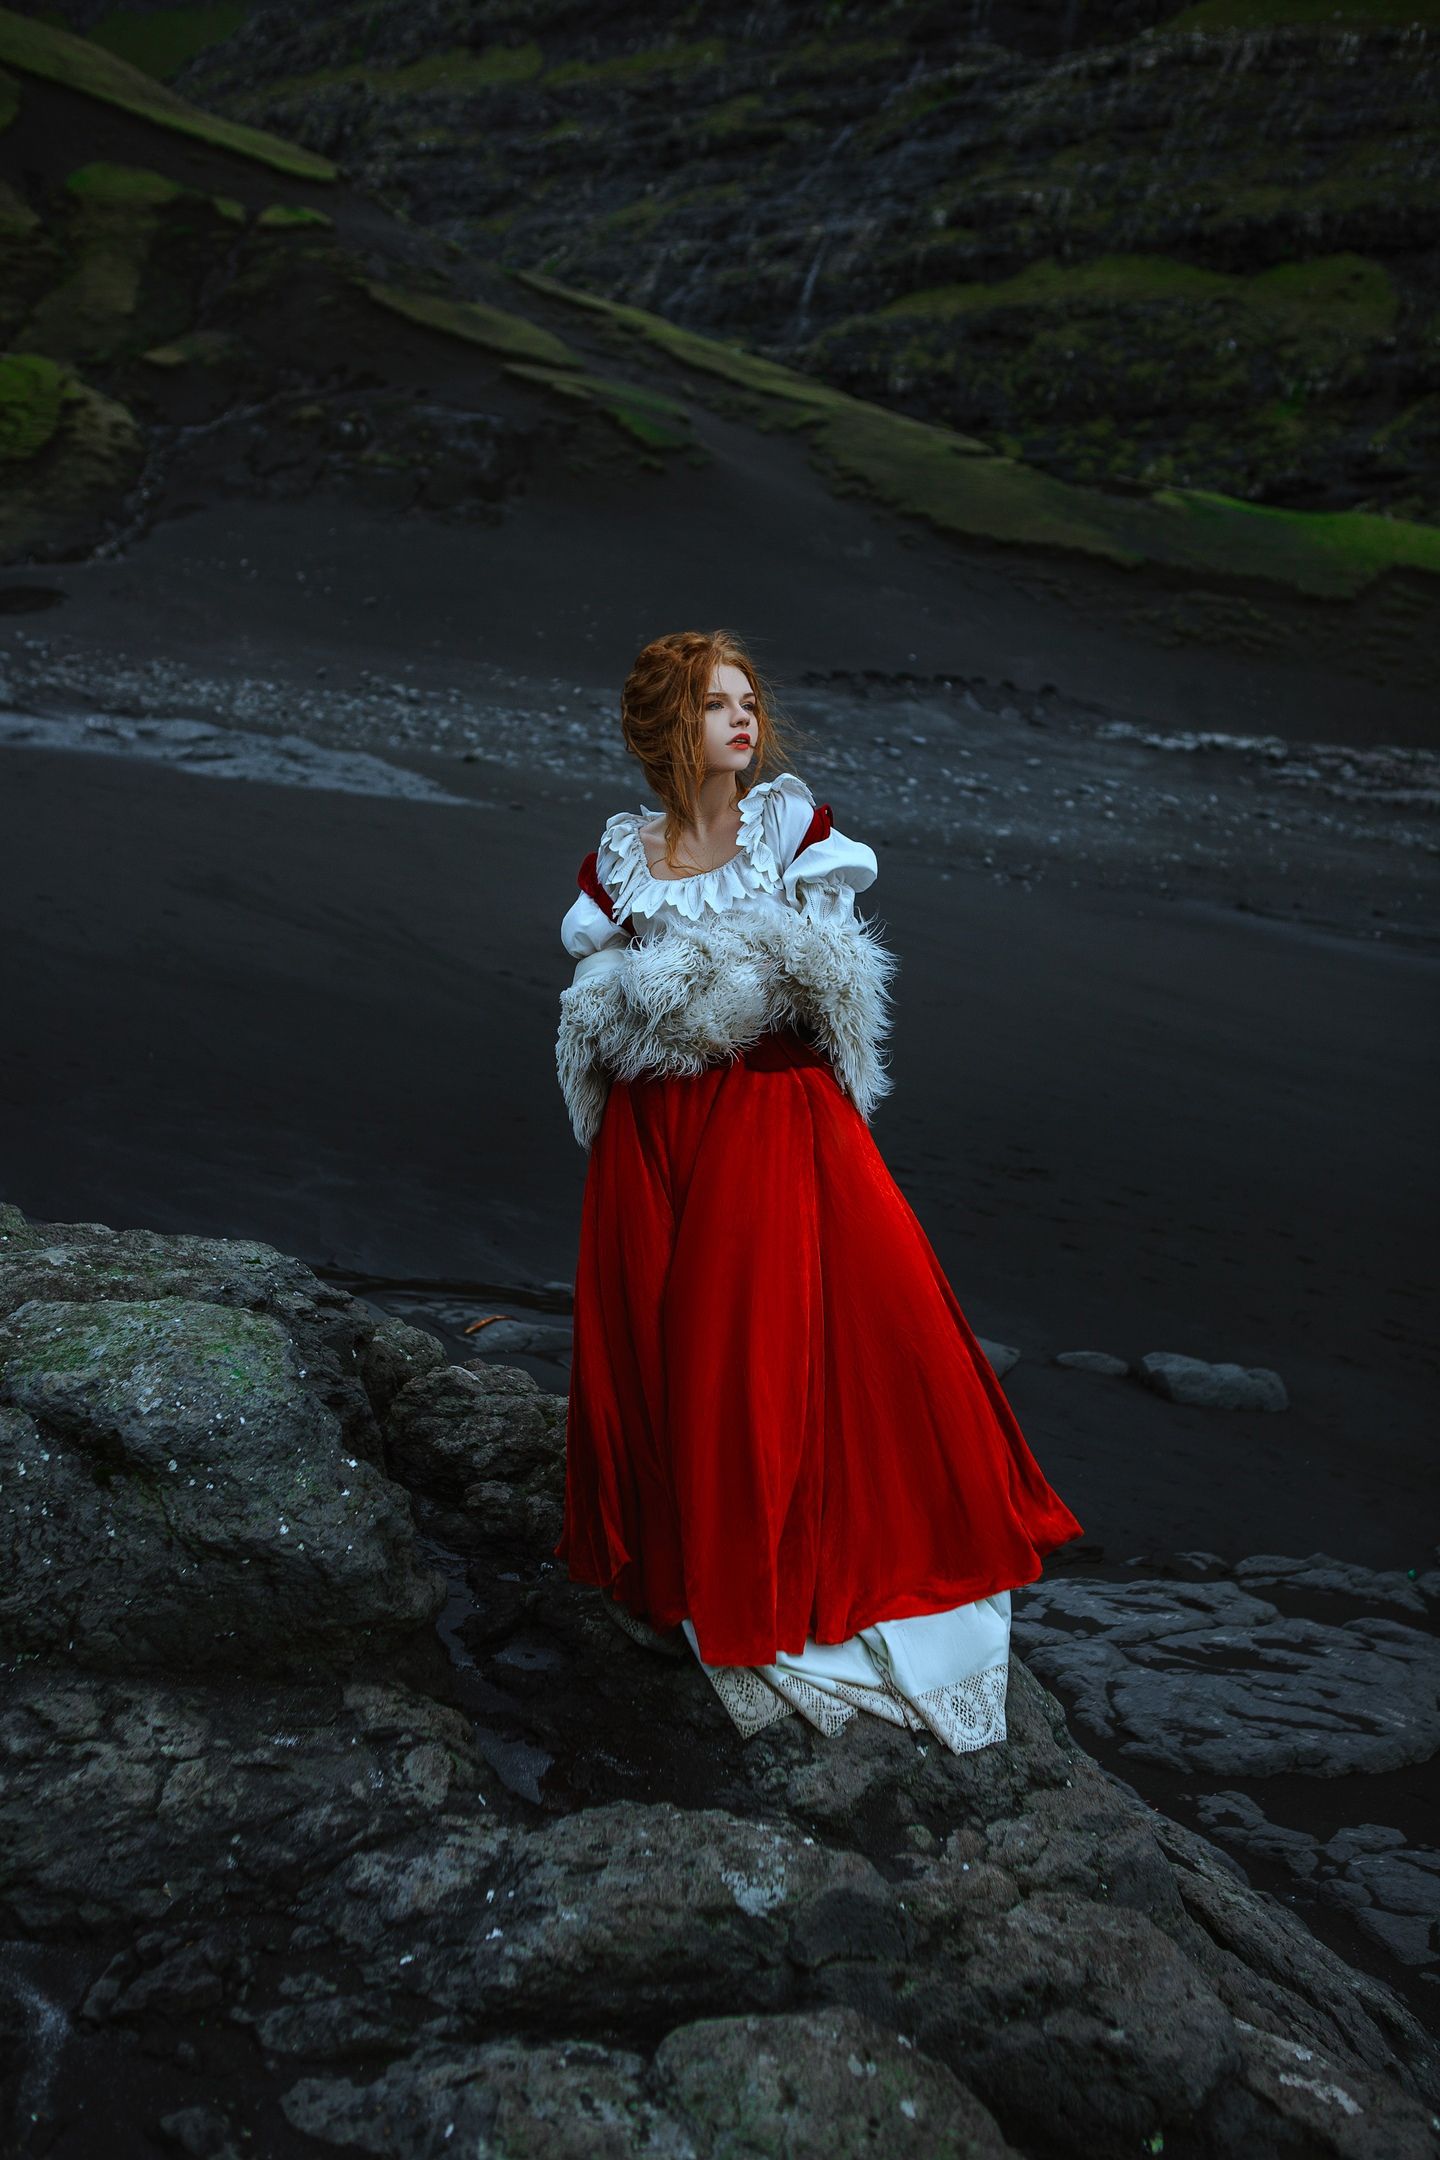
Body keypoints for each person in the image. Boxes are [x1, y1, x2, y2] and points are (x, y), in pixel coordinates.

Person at [554, 627, 1084, 1753]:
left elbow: (816, 963)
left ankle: (823, 1550)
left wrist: (712, 995)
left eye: (748, 703)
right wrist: (633, 1007)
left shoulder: (792, 828)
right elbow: (594, 981)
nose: (743, 722)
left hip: (774, 1120)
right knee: (680, 1353)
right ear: (668, 727)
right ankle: (705, 1554)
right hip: (660, 1137)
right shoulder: (621, 859)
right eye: (715, 705)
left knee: (814, 1339)